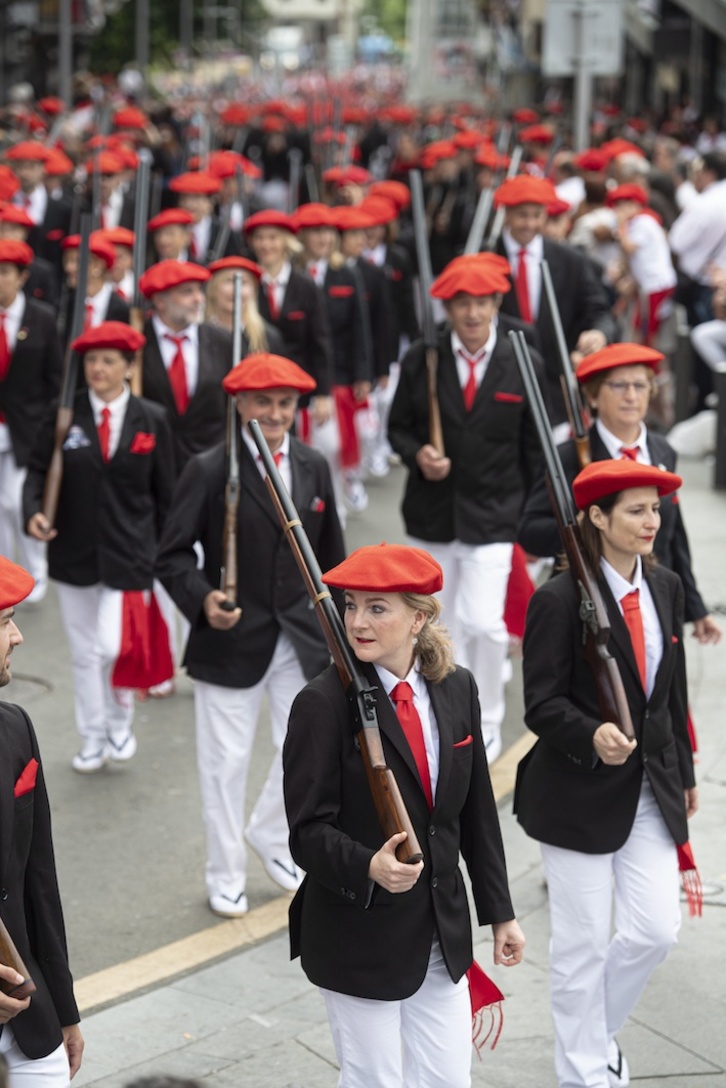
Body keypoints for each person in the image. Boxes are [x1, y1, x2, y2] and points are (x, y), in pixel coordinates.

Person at [284, 542, 525, 1088]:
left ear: (419, 617)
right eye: (350, 606)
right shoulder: (321, 704)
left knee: (448, 1081)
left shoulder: (457, 686)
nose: (357, 621)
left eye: (377, 608)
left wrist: (500, 912)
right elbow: (305, 832)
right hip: (357, 935)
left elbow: (477, 811)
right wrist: (368, 864)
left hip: (442, 930)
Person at [515, 459, 699, 1088]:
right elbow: (539, 705)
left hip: (651, 787)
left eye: (655, 509)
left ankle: (593, 1035)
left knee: (655, 932)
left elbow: (668, 696)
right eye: (637, 511)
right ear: (597, 518)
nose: (652, 522)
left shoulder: (667, 586)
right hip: (573, 795)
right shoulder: (557, 598)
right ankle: (584, 1073)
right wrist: (589, 734)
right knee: (581, 948)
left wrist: (688, 775)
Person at [156, 352, 345, 917]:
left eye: (286, 402)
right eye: (264, 401)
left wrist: (342, 628)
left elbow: (329, 555)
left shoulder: (313, 465)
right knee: (224, 763)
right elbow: (170, 557)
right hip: (231, 640)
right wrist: (202, 599)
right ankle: (225, 871)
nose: (276, 412)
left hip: (303, 638)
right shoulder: (212, 467)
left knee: (306, 752)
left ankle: (269, 832)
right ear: (240, 403)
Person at [388, 254, 545, 762]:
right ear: (448, 308)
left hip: (496, 518)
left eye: (481, 303)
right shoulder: (423, 358)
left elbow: (535, 448)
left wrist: (527, 516)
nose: (472, 314)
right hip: (432, 517)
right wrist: (419, 454)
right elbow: (398, 428)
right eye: (461, 304)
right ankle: (441, 713)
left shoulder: (523, 359)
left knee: (482, 623)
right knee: (436, 627)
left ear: (497, 303)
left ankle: (489, 718)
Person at [23, 322, 176, 772]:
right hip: (74, 553)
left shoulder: (152, 418)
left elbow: (168, 492)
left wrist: (170, 549)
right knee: (83, 651)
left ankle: (119, 718)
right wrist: (34, 510)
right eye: (91, 360)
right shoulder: (64, 413)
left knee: (112, 647)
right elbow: (36, 470)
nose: (98, 369)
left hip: (132, 554)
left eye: (109, 360)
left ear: (129, 367)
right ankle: (92, 735)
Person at [518, 343, 722, 644]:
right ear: (593, 395)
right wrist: (583, 527)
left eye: (640, 385)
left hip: (654, 597)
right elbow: (530, 531)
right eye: (618, 385)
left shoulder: (662, 449)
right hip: (589, 599)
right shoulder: (567, 457)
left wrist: (695, 606)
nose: (631, 395)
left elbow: (674, 532)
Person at [0, 554, 84, 1082]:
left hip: (31, 1012)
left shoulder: (14, 726)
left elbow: (38, 880)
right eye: (5, 622)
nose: (18, 638)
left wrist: (65, 1007)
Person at [494, 174, 616, 429]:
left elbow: (598, 310)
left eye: (537, 215)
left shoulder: (570, 260)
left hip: (557, 388)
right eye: (521, 215)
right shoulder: (486, 257)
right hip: (500, 383)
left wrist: (598, 334)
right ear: (506, 214)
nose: (529, 223)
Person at [0, 238, 63, 602]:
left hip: (29, 426)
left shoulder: (41, 317)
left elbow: (54, 377)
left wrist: (49, 423)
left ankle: (35, 572)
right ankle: (6, 571)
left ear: (22, 276)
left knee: (16, 501)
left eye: (6, 273)